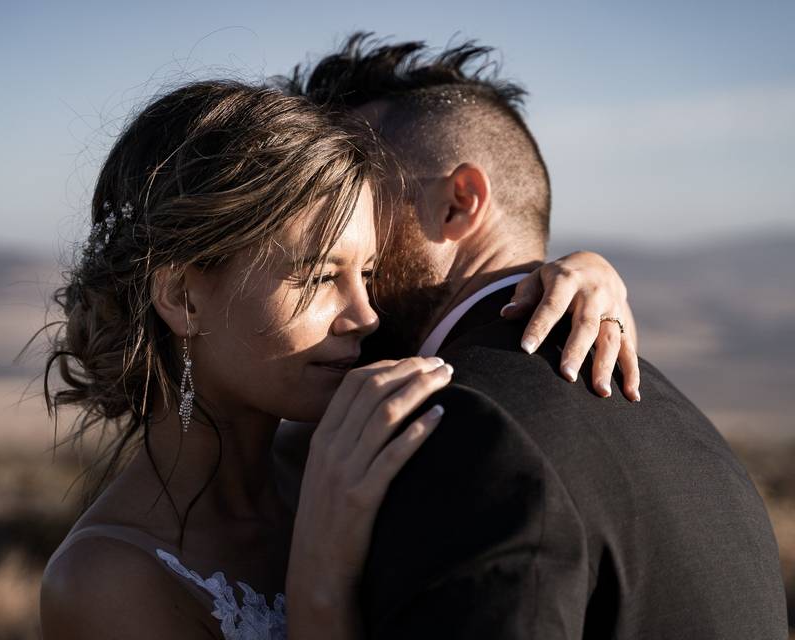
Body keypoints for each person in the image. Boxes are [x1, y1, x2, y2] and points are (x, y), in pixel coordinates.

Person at [39, 80, 642, 640]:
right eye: (323, 276)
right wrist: (320, 586)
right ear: (183, 296)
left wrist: (574, 276)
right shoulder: (104, 580)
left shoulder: (343, 451)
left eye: (369, 273)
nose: (367, 315)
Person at [283, 34, 789, 638]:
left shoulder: (460, 429)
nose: (334, 233)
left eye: (356, 197)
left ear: (458, 203)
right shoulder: (687, 425)